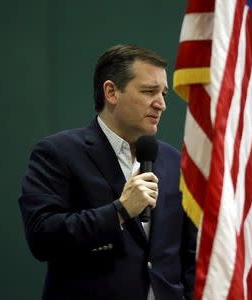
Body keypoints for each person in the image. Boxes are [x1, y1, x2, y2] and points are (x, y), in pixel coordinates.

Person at [18, 44, 196, 300]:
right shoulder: (58, 153)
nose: (161, 105)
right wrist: (120, 211)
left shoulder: (172, 160)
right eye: (149, 91)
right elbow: (42, 237)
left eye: (164, 94)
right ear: (111, 92)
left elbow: (189, 253)